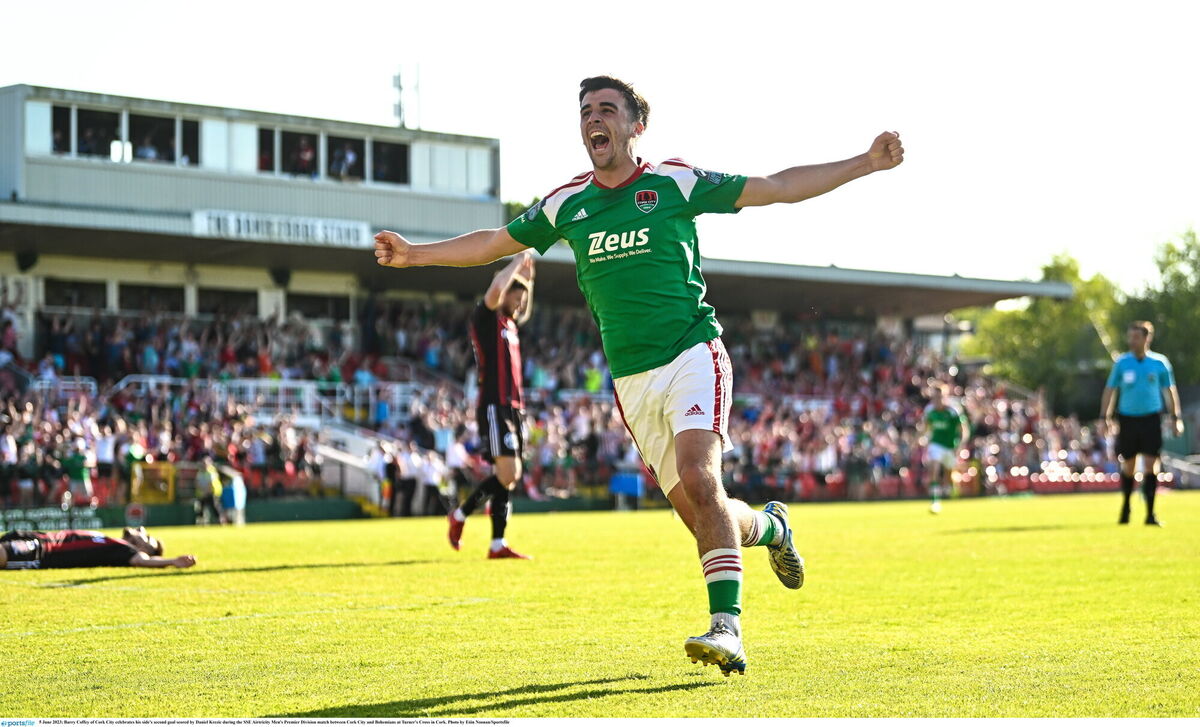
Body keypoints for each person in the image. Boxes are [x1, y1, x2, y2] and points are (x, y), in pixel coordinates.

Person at [374, 75, 904, 675]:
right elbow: (495, 241)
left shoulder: (672, 182)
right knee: (703, 511)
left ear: (635, 125)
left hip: (692, 355)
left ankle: (726, 628)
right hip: (631, 382)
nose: (592, 120)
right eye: (584, 112)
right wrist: (414, 253)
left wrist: (865, 161)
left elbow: (777, 188)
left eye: (606, 109)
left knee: (703, 480)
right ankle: (773, 528)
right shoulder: (566, 203)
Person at [447, 252, 535, 559]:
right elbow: (496, 288)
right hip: (494, 405)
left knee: (510, 473)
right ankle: (461, 514)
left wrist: (529, 279)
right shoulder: (486, 318)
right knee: (507, 472)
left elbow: (520, 302)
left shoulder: (511, 325)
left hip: (513, 407)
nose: (520, 303)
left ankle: (497, 543)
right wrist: (516, 264)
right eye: (517, 296)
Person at [1100, 321, 1183, 526]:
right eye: (1130, 337)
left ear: (1147, 338)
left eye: (1136, 337)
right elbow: (1111, 390)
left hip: (1151, 418)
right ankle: (1126, 506)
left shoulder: (1159, 363)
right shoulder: (1122, 363)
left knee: (1150, 464)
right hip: (1127, 418)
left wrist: (1175, 418)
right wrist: (1105, 417)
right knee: (1128, 465)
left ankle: (1150, 513)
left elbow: (1170, 391)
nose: (1132, 341)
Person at [1, 526, 196, 569]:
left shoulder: (124, 551)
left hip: (42, 551)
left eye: (147, 537)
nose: (141, 529)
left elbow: (142, 561)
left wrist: (172, 561)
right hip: (35, 536)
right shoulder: (111, 540)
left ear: (144, 548)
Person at [920, 384, 969, 514]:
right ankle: (935, 501)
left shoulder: (953, 411)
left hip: (950, 446)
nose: (936, 400)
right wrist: (921, 438)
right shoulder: (929, 410)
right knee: (934, 468)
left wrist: (960, 446)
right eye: (934, 397)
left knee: (949, 474)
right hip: (935, 444)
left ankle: (950, 488)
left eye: (939, 397)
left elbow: (964, 430)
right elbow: (925, 427)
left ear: (945, 397)